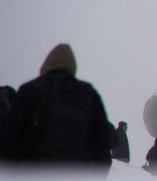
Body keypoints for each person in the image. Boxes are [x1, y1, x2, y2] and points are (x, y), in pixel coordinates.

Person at [2, 43, 114, 171]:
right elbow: (102, 144)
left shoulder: (29, 91)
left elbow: (11, 139)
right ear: (72, 67)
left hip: (33, 179)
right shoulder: (89, 94)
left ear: (46, 65)